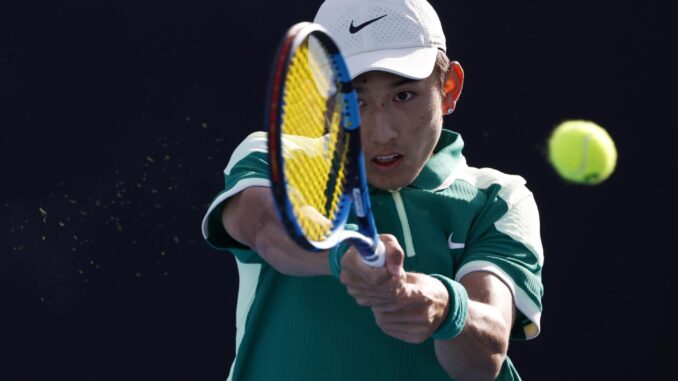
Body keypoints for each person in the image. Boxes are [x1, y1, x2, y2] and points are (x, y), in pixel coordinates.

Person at [201, 0, 544, 380]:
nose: (382, 133)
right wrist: (341, 255)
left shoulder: (499, 198)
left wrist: (448, 309)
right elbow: (266, 225)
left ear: (449, 88)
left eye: (403, 96)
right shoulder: (277, 159)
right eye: (354, 101)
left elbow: (484, 359)